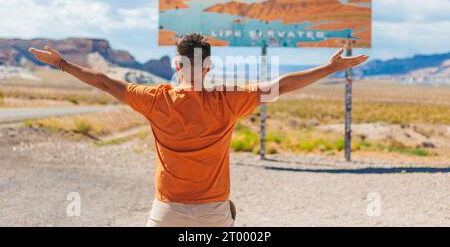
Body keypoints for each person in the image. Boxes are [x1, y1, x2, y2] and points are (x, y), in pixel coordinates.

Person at [28, 33, 369, 227]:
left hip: (166, 212)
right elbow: (280, 85)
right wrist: (329, 67)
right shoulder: (228, 101)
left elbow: (103, 81)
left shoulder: (154, 99)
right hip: (213, 212)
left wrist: (61, 63)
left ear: (175, 65)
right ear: (208, 67)